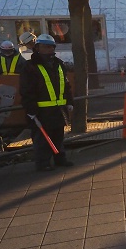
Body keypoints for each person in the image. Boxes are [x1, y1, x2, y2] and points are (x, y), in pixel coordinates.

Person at [19, 33, 74, 171]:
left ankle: (60, 159)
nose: (49, 49)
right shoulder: (30, 67)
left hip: (58, 109)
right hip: (40, 111)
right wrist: (31, 111)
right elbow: (26, 91)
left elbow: (65, 86)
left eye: (51, 47)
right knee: (42, 139)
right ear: (37, 47)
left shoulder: (58, 64)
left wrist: (69, 102)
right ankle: (43, 164)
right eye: (45, 47)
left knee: (58, 136)